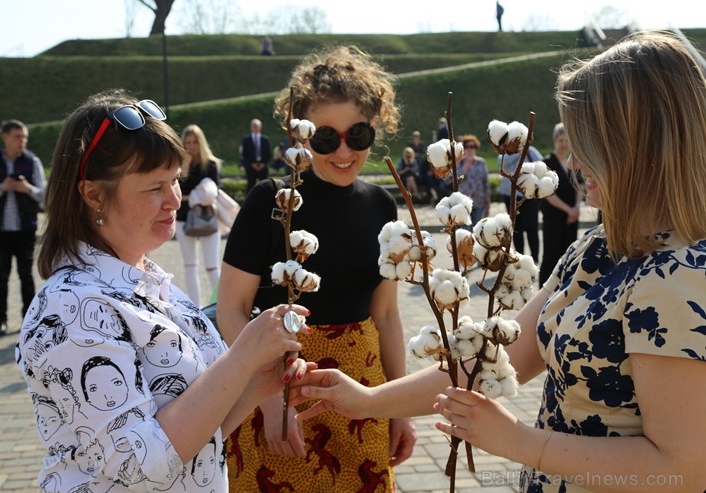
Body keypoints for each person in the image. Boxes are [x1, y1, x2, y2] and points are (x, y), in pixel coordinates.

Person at [289, 30, 706, 492]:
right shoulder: (602, 248)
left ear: (642, 146)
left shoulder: (683, 275)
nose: (575, 163)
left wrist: (520, 442)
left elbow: (682, 469)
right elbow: (497, 359)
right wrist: (368, 400)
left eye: (591, 143)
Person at [15, 89, 309, 492]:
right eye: (154, 187)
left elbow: (198, 432)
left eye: (175, 180)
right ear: (94, 194)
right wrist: (240, 359)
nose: (174, 199)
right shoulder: (71, 306)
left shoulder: (147, 280)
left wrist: (255, 384)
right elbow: (141, 463)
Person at [217, 45, 417, 492]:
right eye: (327, 137)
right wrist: (268, 398)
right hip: (280, 396)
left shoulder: (381, 204)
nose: (343, 151)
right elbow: (231, 309)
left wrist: (398, 405)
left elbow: (385, 316)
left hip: (362, 397)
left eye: (358, 135)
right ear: (301, 135)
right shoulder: (271, 201)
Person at [0, 119, 46, 336]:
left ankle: (28, 320)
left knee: (26, 276)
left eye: (24, 137)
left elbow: (44, 196)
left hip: (25, 228)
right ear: (5, 137)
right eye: (18, 136)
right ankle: (1, 320)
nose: (22, 141)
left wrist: (27, 188)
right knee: (2, 275)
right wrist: (3, 187)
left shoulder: (31, 161)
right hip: (0, 230)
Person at [176, 124, 223, 306]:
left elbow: (214, 192)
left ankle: (220, 303)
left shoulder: (210, 164)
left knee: (212, 266)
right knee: (190, 265)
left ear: (201, 142)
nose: (191, 146)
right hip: (183, 218)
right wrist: (185, 164)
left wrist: (189, 197)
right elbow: (178, 190)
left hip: (206, 217)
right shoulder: (178, 165)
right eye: (187, 142)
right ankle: (195, 306)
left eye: (195, 142)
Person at [538, 123, 580, 287]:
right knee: (551, 256)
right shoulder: (548, 162)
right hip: (554, 217)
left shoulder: (572, 162)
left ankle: (564, 290)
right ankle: (544, 291)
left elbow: (578, 186)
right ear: (555, 140)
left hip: (571, 219)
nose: (564, 144)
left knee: (569, 256)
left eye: (567, 141)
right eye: (561, 140)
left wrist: (576, 208)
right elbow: (548, 193)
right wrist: (569, 210)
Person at [498, 145, 543, 262]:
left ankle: (535, 257)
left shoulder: (531, 151)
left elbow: (541, 165)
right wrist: (518, 153)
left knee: (531, 227)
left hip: (529, 196)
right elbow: (501, 163)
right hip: (511, 196)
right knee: (516, 228)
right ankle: (519, 257)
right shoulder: (507, 153)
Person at [455, 134, 491, 226]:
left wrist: (487, 201)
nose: (470, 149)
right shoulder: (459, 162)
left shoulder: (481, 162)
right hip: (463, 202)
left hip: (479, 201)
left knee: (476, 228)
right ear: (464, 148)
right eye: (467, 146)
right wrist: (465, 166)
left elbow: (485, 182)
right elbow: (453, 180)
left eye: (472, 146)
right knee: (464, 230)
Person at [240, 118, 272, 193]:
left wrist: (263, 164)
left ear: (260, 127)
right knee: (250, 186)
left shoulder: (265, 139)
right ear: (251, 127)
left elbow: (268, 153)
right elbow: (244, 154)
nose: (255, 127)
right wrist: (252, 164)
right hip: (251, 167)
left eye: (257, 126)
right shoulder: (246, 140)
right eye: (254, 126)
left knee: (265, 185)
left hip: (263, 166)